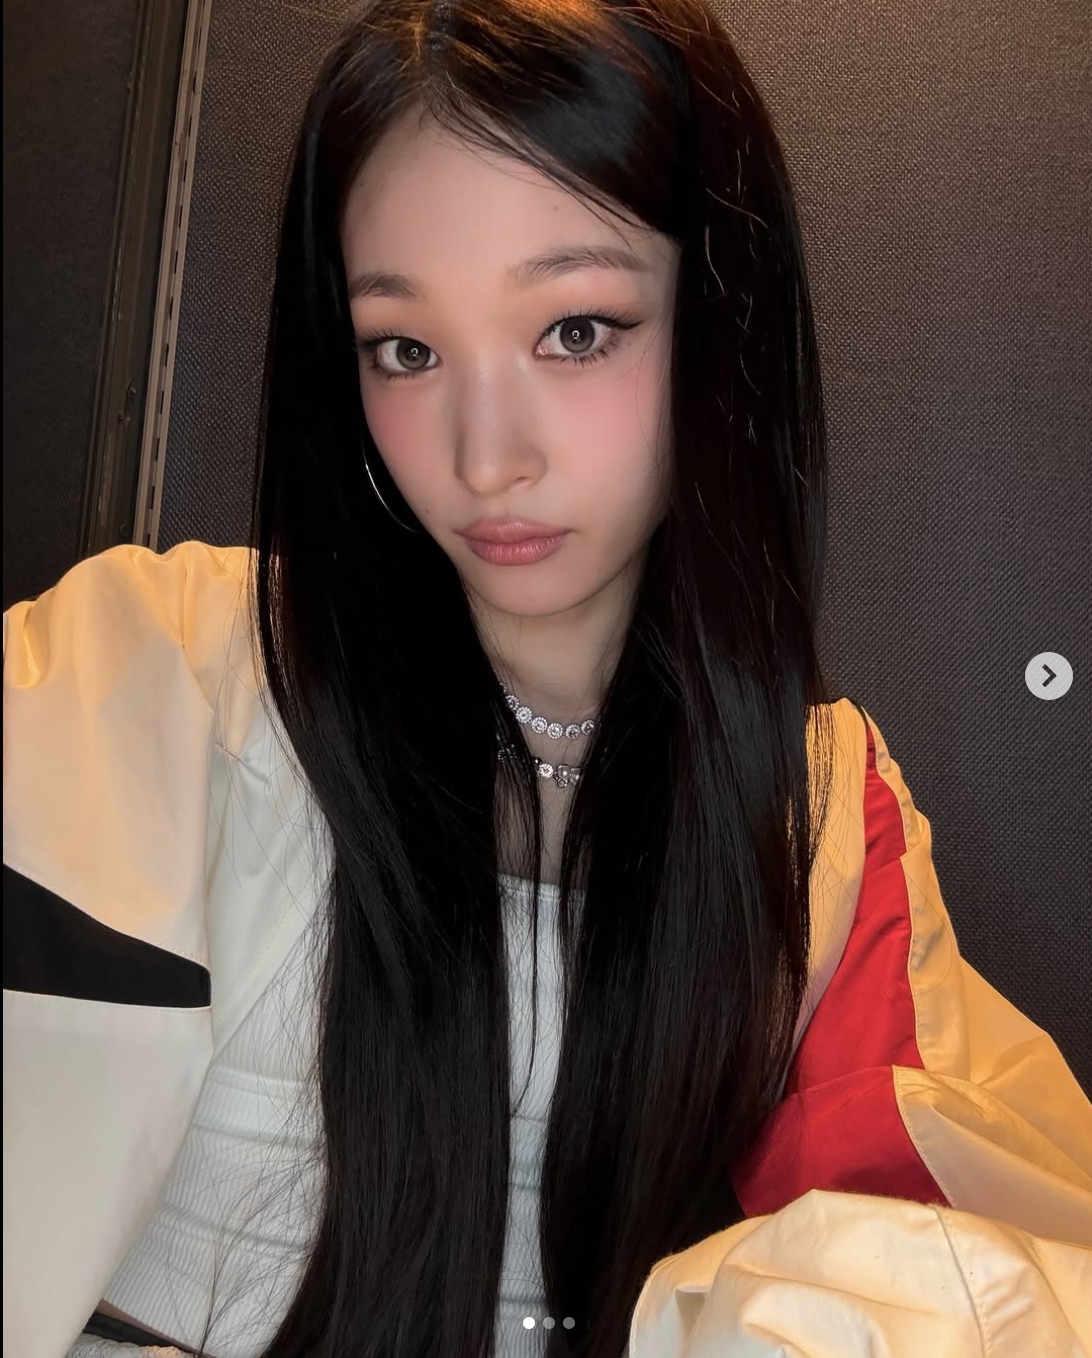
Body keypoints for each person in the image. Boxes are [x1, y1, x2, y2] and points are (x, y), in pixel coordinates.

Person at [4, 1, 1091, 1356]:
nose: (485, 456)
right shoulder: (165, 667)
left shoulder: (817, 811)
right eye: (406, 348)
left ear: (720, 321)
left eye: (575, 330)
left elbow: (964, 1257)